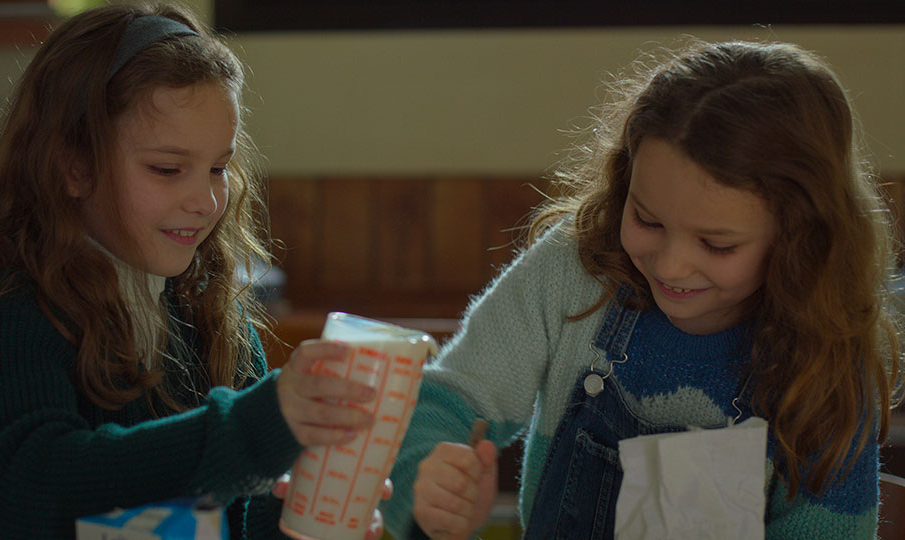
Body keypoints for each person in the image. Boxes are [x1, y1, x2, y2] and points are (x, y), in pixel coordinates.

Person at [380, 40, 903, 539]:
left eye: (716, 245)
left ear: (800, 240)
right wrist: (428, 478)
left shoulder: (830, 360)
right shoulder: (573, 270)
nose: (671, 266)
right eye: (647, 220)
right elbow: (446, 402)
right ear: (624, 180)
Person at [0, 4, 389, 539]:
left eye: (219, 168)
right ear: (73, 166)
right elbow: (30, 491)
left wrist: (302, 520)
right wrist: (254, 429)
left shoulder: (212, 318)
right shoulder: (12, 312)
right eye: (167, 169)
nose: (204, 199)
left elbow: (234, 517)